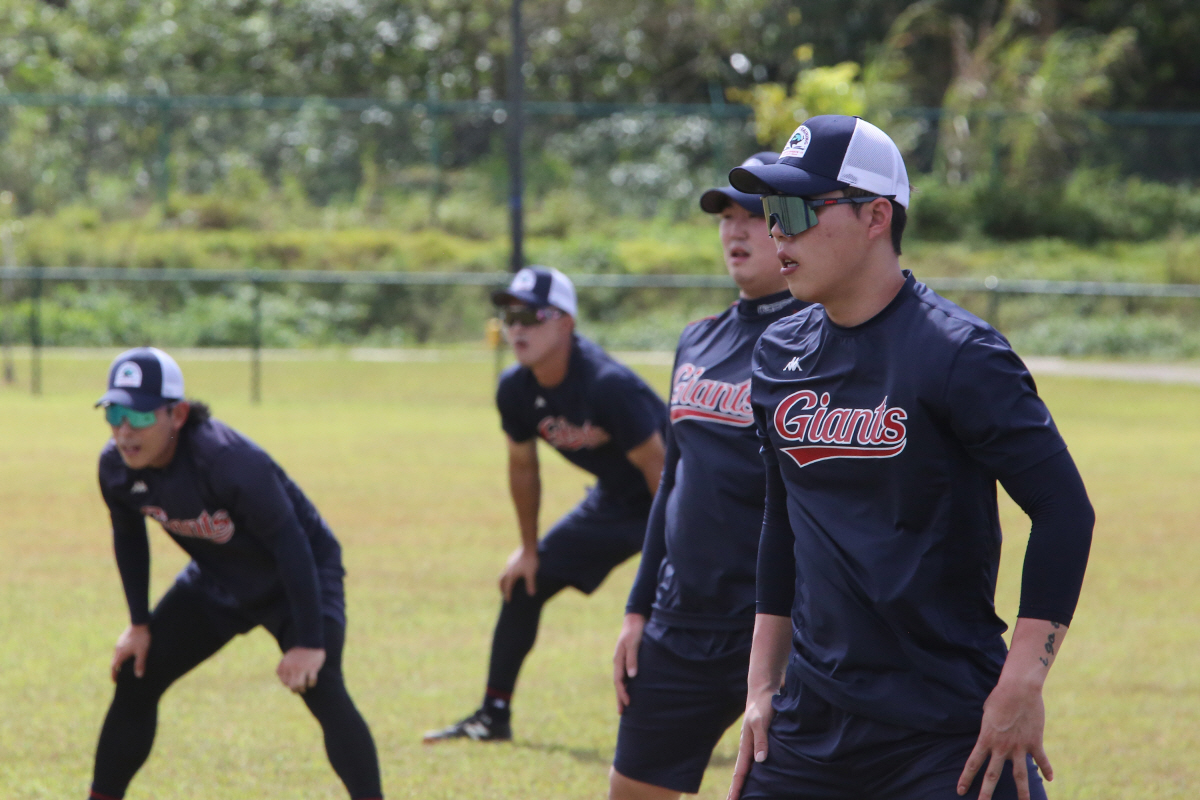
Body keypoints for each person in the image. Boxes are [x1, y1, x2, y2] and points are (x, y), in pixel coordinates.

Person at [724, 115, 1094, 800]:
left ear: (875, 217)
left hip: (945, 729)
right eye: (773, 211)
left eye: (799, 209)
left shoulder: (960, 354)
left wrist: (1022, 683)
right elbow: (784, 521)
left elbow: (1064, 509)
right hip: (809, 721)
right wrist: (760, 687)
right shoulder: (778, 354)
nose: (778, 230)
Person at [88, 347, 382, 800]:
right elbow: (129, 538)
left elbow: (292, 544)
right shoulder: (116, 468)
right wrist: (140, 625)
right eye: (115, 412)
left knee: (321, 685)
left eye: (141, 416)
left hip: (296, 575)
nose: (125, 431)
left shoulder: (227, 460)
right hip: (218, 577)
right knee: (137, 675)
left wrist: (308, 642)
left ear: (178, 414)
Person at [608, 153, 808, 800]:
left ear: (789, 226)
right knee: (634, 789)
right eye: (726, 216)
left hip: (782, 627)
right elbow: (673, 481)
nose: (735, 229)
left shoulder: (819, 343)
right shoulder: (698, 339)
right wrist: (638, 608)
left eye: (754, 215)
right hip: (680, 619)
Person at [424, 266, 668, 743]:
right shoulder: (515, 389)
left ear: (566, 322)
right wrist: (529, 548)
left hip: (676, 500)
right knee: (523, 584)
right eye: (509, 316)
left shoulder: (606, 384)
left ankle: (739, 715)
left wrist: (680, 552)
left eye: (530, 316)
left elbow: (663, 472)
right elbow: (523, 468)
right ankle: (493, 715)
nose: (517, 327)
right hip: (614, 502)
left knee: (696, 605)